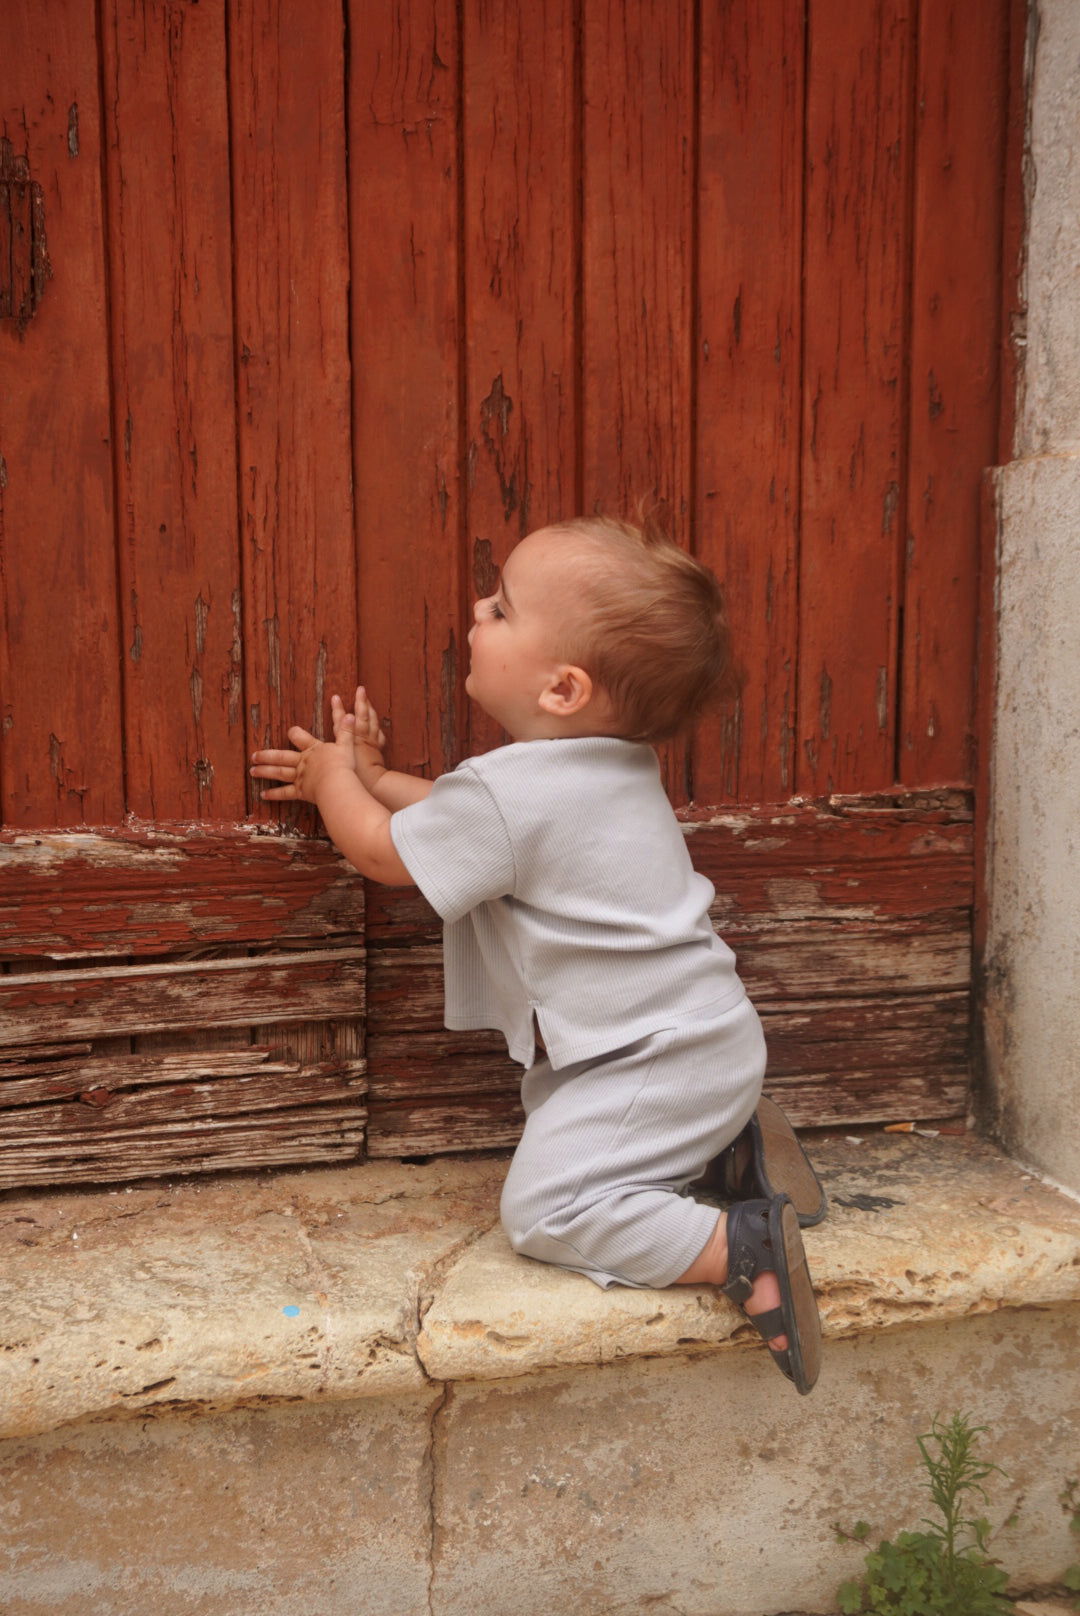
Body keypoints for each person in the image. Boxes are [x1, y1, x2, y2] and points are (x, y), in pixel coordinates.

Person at [251, 512, 825, 1394]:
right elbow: (461, 822)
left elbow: (389, 853)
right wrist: (367, 777)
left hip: (654, 1060)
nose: (477, 610)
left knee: (549, 1210)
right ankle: (720, 1153)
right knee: (578, 1146)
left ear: (563, 689)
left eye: (502, 608)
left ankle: (738, 1247)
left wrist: (336, 781)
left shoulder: (517, 791)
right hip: (697, 1046)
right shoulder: (608, 767)